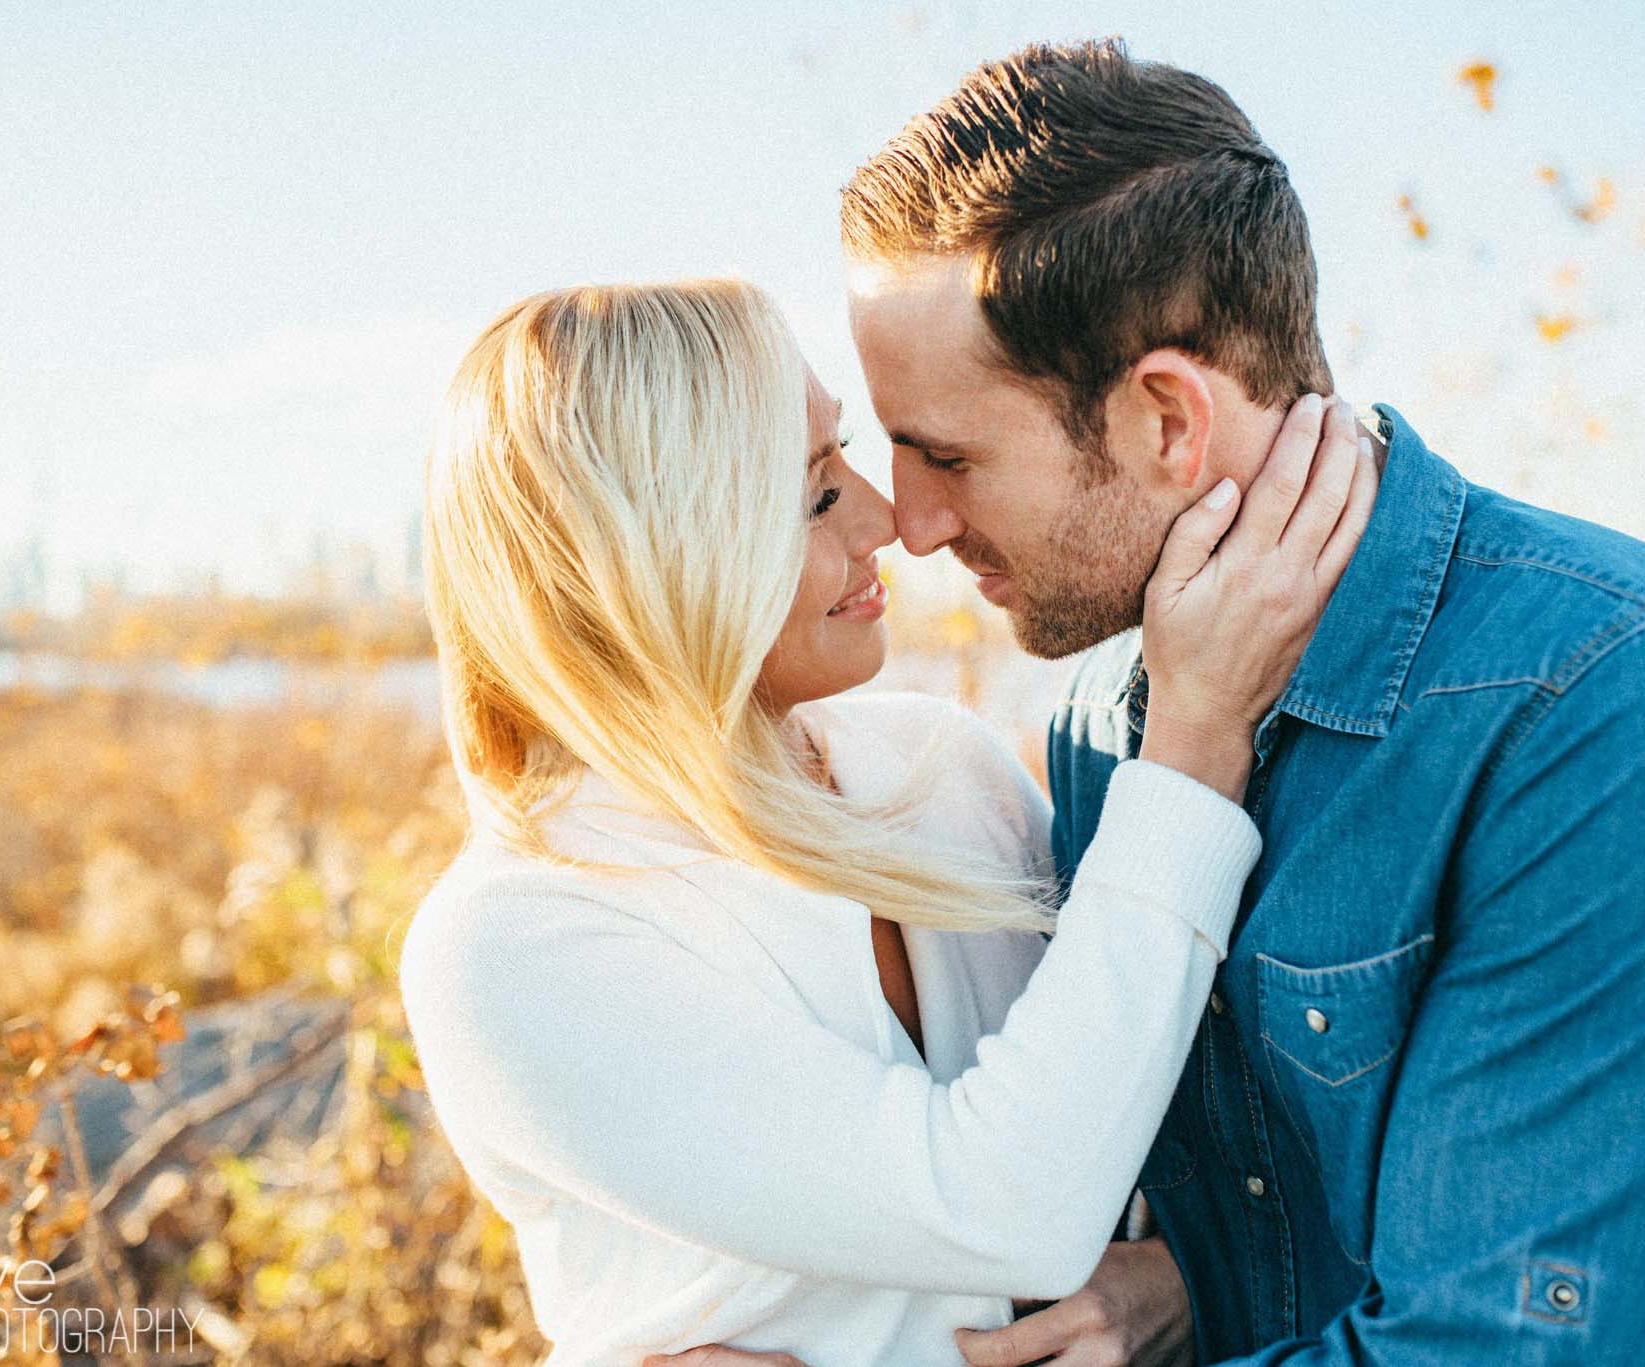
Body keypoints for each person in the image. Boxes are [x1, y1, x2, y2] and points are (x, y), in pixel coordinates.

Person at [683, 35, 1645, 1367]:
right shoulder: (1111, 717)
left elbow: (1494, 1344)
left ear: (1169, 423)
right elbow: (1219, 1174)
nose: (907, 520)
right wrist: (1173, 1270)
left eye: (947, 454)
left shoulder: (1618, 704)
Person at [396, 278, 1376, 1366]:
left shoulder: (933, 765)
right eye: (814, 495)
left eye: (842, 457)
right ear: (648, 564)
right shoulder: (518, 938)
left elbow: (1146, 1092)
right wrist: (1196, 733)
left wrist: (1176, 1277)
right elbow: (1004, 1204)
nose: (888, 523)